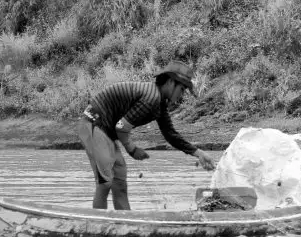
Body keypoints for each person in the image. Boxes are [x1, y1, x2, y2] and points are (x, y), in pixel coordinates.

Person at [78, 60, 216, 210]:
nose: (182, 95)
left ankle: (127, 225)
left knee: (120, 183)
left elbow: (170, 134)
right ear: (170, 82)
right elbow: (121, 126)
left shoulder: (159, 102)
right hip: (93, 123)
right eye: (182, 89)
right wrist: (132, 149)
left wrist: (199, 153)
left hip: (106, 133)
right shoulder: (152, 98)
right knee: (105, 182)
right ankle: (100, 226)